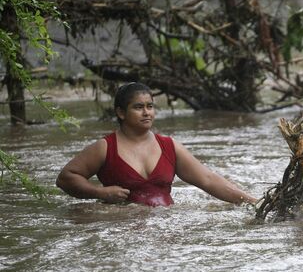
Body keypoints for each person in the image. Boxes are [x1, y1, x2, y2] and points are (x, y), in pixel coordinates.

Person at [56, 82, 257, 207]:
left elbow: (208, 179)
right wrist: (99, 192)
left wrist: (254, 202)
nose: (147, 113)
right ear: (120, 112)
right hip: (121, 228)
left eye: (150, 106)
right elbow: (66, 178)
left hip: (164, 226)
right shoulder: (105, 147)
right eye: (138, 107)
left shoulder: (169, 146)